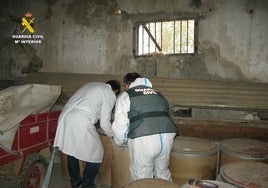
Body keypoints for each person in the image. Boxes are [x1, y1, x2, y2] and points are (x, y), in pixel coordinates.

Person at [53, 80, 121, 188]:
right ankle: (87, 184)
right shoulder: (110, 94)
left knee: (71, 150)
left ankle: (75, 181)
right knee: (97, 153)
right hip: (80, 120)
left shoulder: (91, 85)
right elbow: (104, 123)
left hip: (65, 116)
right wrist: (113, 135)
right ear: (115, 91)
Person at [112, 72, 177, 182]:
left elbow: (121, 124)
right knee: (162, 172)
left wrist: (119, 141)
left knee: (142, 176)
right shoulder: (158, 93)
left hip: (144, 139)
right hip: (167, 138)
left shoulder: (127, 95)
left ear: (126, 85)